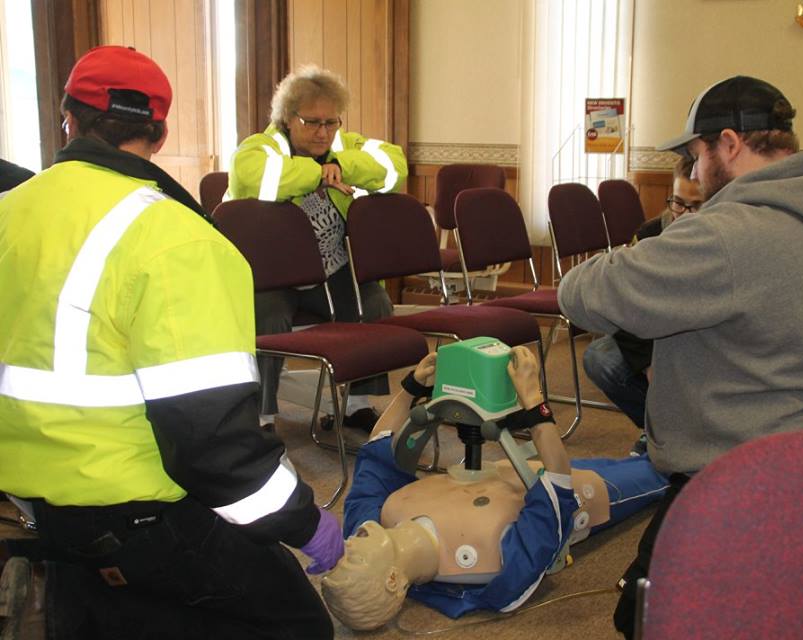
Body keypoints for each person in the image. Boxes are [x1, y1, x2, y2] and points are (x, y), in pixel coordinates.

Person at [0, 46, 341, 639]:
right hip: (137, 513)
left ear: (67, 120)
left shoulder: (9, 209)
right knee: (298, 623)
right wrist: (303, 522)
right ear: (159, 134)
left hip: (31, 507)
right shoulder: (179, 241)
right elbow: (214, 448)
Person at [556, 76, 803, 639]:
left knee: (645, 618)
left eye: (695, 156)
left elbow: (582, 294)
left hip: (741, 476)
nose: (694, 174)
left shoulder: (728, 232)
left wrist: (657, 243)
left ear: (728, 143)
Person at [319, 347, 671, 630]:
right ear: (393, 580)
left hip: (513, 469)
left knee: (649, 455)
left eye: (341, 553)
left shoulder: (369, 521)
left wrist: (411, 388)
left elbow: (378, 451)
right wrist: (534, 402)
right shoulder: (491, 570)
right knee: (669, 473)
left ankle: (656, 448)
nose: (348, 542)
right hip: (577, 487)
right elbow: (558, 484)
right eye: (354, 558)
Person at [228, 65, 408, 433]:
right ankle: (261, 416)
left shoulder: (342, 147)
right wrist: (319, 174)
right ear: (287, 119)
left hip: (329, 268)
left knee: (373, 301)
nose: (323, 132)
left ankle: (356, 404)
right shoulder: (260, 147)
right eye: (312, 122)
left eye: (331, 122)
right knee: (267, 318)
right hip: (269, 275)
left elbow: (395, 165)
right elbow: (255, 176)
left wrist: (340, 163)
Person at [582, 156, 703, 453]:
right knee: (601, 358)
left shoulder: (724, 240)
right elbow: (623, 307)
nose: (683, 215)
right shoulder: (649, 236)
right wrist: (648, 362)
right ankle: (657, 430)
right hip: (656, 338)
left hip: (702, 340)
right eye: (677, 203)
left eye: (696, 206)